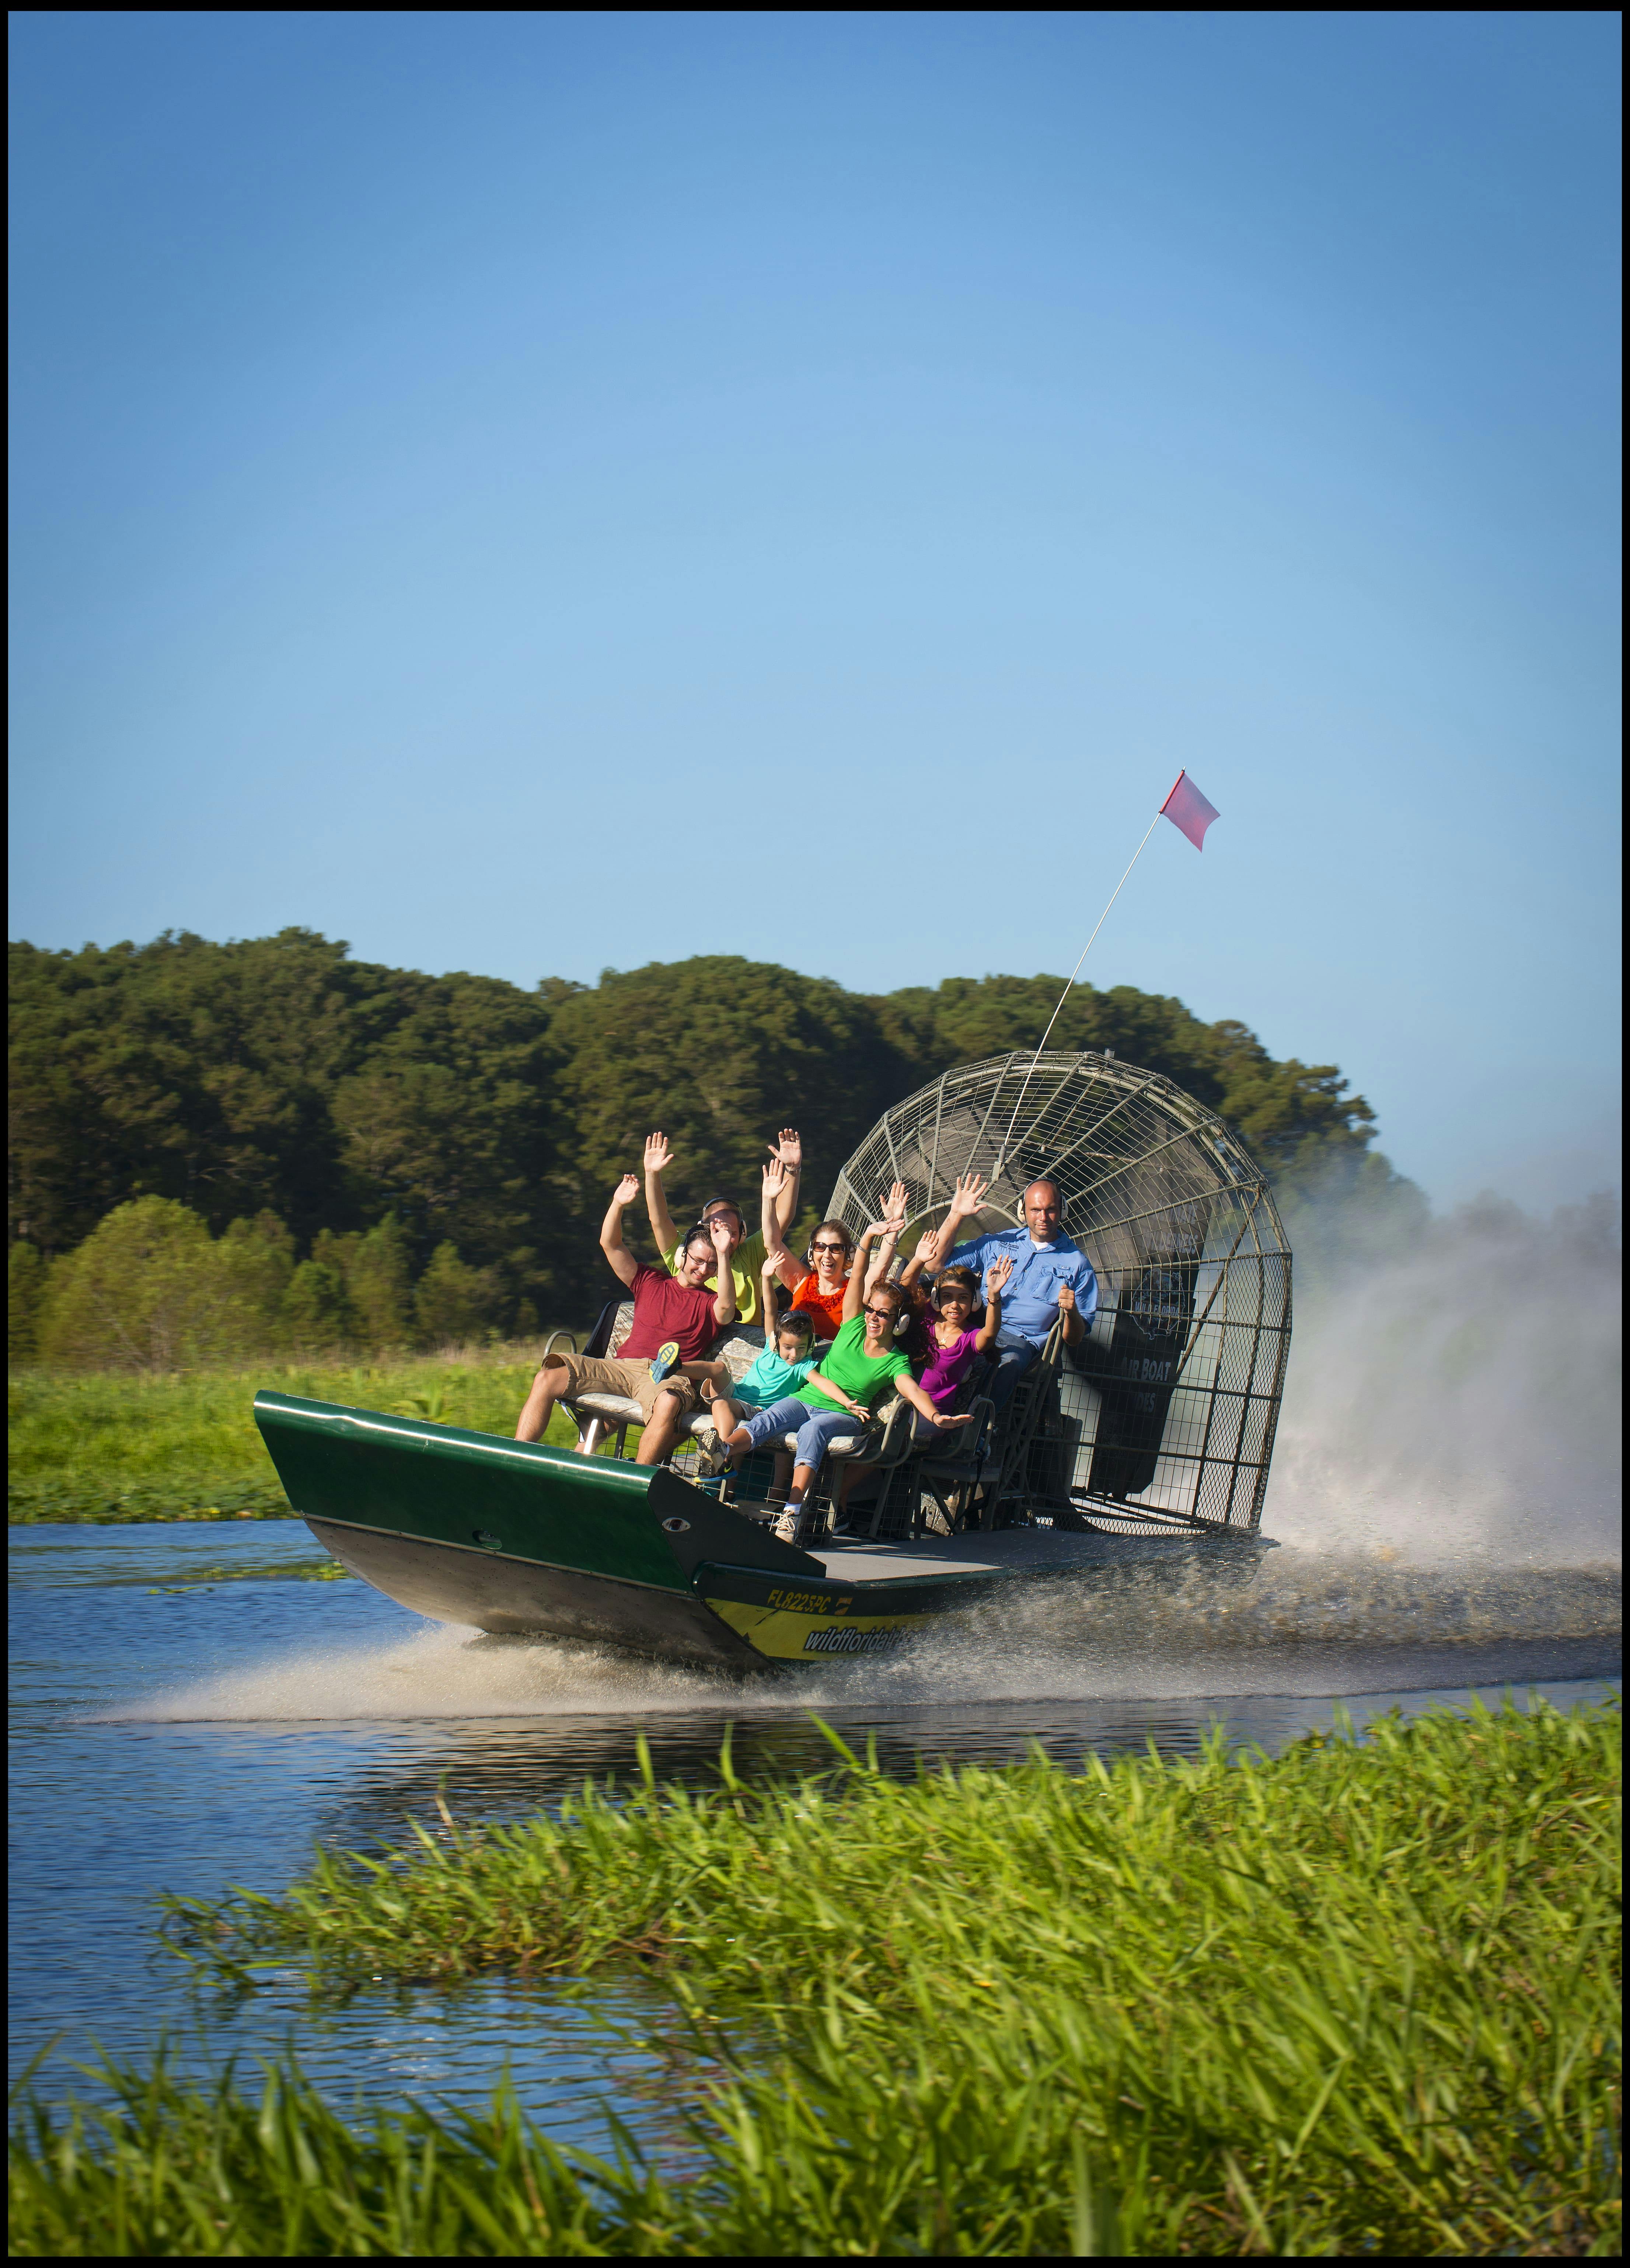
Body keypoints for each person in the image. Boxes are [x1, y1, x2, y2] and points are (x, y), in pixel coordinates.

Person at [709, 1217, 975, 1542]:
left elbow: (912, 1389)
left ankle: (790, 1515)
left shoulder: (895, 1360)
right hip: (809, 1399)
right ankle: (722, 1451)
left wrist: (935, 1416)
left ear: (899, 1322)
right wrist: (868, 1237)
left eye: (883, 1314)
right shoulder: (852, 1325)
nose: (874, 1317)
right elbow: (859, 1274)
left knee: (812, 1430)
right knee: (773, 1417)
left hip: (844, 1416)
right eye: (872, 1310)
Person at [515, 1178, 735, 1466]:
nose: (703, 1269)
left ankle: (638, 1481)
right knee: (547, 1378)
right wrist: (618, 1204)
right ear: (683, 1256)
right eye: (698, 1260)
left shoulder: (710, 1301)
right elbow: (611, 1244)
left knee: (667, 1403)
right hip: (622, 1367)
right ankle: (518, 1458)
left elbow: (727, 1308)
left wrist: (723, 1253)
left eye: (712, 1264)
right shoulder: (650, 1281)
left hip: (666, 1377)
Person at [919, 1172, 1097, 1410]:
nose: (1043, 1217)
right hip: (975, 1325)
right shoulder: (996, 1243)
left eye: (1050, 1210)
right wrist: (956, 1214)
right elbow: (935, 1265)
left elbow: (1073, 1339)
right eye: (1035, 1210)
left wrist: (1071, 1311)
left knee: (1008, 1363)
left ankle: (976, 1435)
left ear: (1062, 1211)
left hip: (1019, 1340)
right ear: (1022, 1211)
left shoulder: (1078, 1265)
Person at [641, 1128, 803, 1329]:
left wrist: (793, 1170)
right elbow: (658, 1219)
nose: (726, 1238)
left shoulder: (749, 1253)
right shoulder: (686, 1255)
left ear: (743, 1233)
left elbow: (781, 1218)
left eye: (732, 1233)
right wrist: (652, 1174)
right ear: (701, 1230)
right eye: (717, 1230)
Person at [769, 1177, 911, 1344]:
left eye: (836, 1248)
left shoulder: (855, 1290)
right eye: (821, 1247)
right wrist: (769, 1200)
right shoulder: (801, 1281)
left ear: (847, 1254)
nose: (828, 1254)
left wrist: (892, 1226)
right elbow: (772, 1243)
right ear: (812, 1253)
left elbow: (881, 1266)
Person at [897, 1249, 1015, 1434]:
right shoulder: (926, 1316)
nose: (954, 1305)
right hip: (898, 1404)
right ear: (937, 1299)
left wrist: (994, 1295)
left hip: (933, 1416)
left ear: (974, 1302)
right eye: (947, 1297)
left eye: (963, 1298)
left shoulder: (969, 1337)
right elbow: (903, 1292)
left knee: (890, 1436)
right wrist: (918, 1259)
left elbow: (990, 1334)